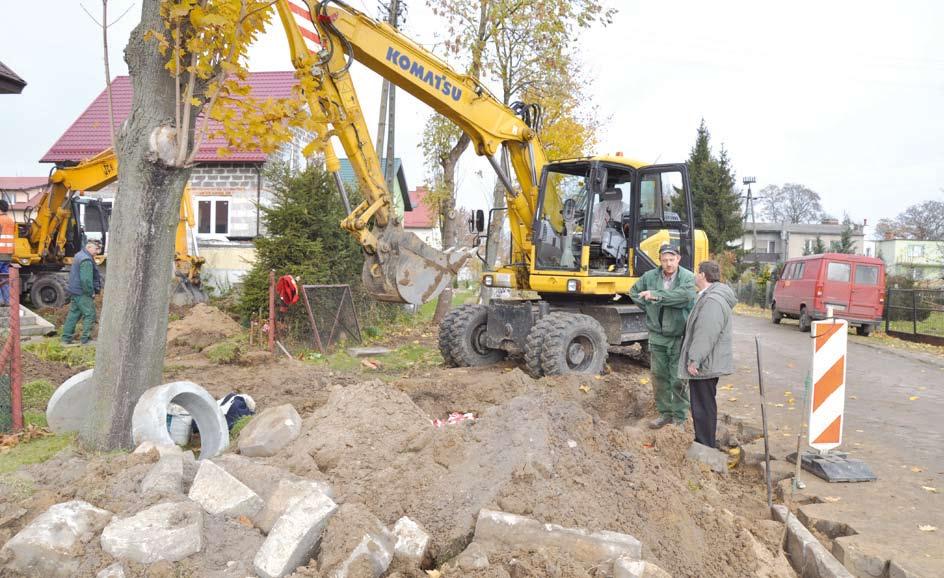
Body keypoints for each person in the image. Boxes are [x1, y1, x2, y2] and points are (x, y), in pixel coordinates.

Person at [629, 243, 696, 429]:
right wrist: (649, 307)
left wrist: (657, 296)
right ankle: (665, 414)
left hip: (678, 336)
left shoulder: (687, 277)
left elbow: (685, 297)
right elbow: (634, 292)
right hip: (657, 336)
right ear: (660, 260)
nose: (668, 264)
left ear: (678, 259)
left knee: (678, 378)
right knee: (659, 377)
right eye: (665, 260)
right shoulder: (649, 276)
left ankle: (680, 418)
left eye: (672, 259)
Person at [678, 260, 736, 448]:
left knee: (703, 406)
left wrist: (695, 359)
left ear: (703, 275)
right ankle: (705, 441)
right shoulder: (711, 296)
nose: (695, 275)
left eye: (697, 272)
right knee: (704, 403)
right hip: (708, 362)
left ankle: (704, 445)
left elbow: (706, 332)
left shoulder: (712, 300)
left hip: (705, 364)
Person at [61, 239, 103, 345]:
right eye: (96, 249)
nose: (97, 252)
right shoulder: (86, 260)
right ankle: (86, 339)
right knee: (90, 314)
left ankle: (66, 338)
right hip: (82, 292)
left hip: (75, 290)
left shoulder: (79, 255)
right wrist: (90, 292)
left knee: (74, 314)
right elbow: (86, 280)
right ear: (89, 247)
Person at [0, 199, 15, 306]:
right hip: (8, 255)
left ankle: (0, 301)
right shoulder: (10, 221)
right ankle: (7, 301)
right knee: (4, 278)